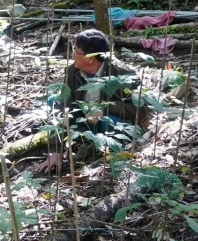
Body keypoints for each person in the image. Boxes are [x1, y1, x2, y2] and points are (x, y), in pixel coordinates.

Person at [36, 28, 151, 173]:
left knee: (110, 122)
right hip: (84, 121)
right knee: (54, 100)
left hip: (110, 124)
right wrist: (55, 151)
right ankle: (88, 143)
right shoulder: (72, 71)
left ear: (90, 58)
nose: (72, 55)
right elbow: (64, 105)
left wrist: (104, 109)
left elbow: (142, 110)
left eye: (76, 51)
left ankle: (112, 155)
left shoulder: (122, 73)